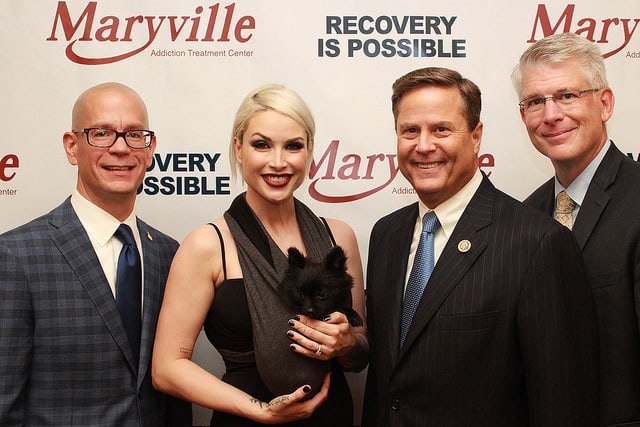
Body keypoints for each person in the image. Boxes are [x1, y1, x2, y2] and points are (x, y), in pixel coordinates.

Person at [361, 67, 599, 426]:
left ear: (475, 137)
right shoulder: (386, 236)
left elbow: (561, 402)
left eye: (441, 129)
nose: (424, 145)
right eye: (410, 130)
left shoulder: (537, 243)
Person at [152, 83, 368, 426]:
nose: (278, 162)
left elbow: (359, 354)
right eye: (261, 145)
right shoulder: (207, 246)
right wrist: (259, 410)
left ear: (309, 151)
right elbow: (166, 369)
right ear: (238, 148)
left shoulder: (337, 237)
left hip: (331, 414)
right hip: (245, 418)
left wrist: (346, 344)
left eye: (293, 146)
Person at [0, 82, 191, 426]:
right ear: (72, 147)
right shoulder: (17, 256)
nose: (120, 149)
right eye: (101, 133)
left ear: (150, 150)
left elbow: (174, 396)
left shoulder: (168, 254)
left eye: (134, 135)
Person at [513, 32, 640, 426]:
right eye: (536, 101)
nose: (551, 115)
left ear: (604, 103)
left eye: (567, 95)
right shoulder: (524, 216)